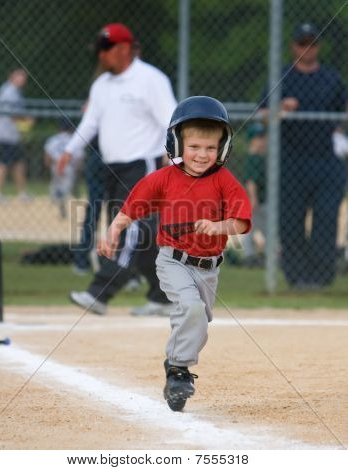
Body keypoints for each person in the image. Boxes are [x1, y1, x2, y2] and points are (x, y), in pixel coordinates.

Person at [97, 96, 252, 411]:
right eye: (194, 146)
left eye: (210, 148)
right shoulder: (165, 178)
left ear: (222, 148)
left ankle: (176, 366)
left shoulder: (224, 180)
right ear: (177, 144)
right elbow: (134, 205)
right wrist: (114, 229)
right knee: (191, 310)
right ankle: (179, 371)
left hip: (209, 268)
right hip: (172, 260)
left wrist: (219, 227)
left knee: (199, 321)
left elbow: (240, 222)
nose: (202, 155)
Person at [59, 23, 177, 316]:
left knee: (130, 230)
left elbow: (172, 120)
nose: (101, 56)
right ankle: (162, 297)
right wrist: (70, 149)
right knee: (143, 237)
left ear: (124, 49)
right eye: (99, 50)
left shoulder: (150, 79)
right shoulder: (101, 86)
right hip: (112, 169)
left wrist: (173, 158)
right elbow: (91, 123)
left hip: (143, 166)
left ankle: (100, 292)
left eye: (106, 49)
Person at [259, 23, 348, 288]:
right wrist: (280, 107)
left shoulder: (331, 79)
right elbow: (262, 116)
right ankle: (297, 277)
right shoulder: (282, 77)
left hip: (326, 160)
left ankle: (321, 277)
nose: (306, 48)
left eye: (312, 42)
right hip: (291, 159)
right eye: (302, 43)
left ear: (318, 47)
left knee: (326, 217)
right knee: (290, 219)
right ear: (293, 46)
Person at [0, 68, 33, 203]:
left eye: (23, 77)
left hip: (11, 134)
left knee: (17, 163)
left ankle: (22, 192)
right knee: (3, 162)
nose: (22, 79)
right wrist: (26, 120)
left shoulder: (13, 91)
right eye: (19, 76)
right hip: (5, 134)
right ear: (11, 77)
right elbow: (11, 114)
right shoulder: (9, 92)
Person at [44, 117, 85, 218]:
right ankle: (61, 196)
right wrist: (77, 170)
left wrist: (49, 166)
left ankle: (56, 196)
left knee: (56, 183)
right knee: (66, 187)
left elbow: (47, 156)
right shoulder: (74, 140)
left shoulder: (53, 139)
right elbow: (79, 158)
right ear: (71, 128)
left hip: (55, 165)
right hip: (69, 166)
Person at [241, 122, 267, 267]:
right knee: (256, 229)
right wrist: (254, 198)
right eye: (259, 138)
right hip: (258, 202)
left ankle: (250, 256)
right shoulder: (253, 158)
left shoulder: (261, 157)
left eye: (263, 137)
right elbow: (250, 181)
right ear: (252, 140)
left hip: (260, 201)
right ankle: (249, 256)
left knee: (251, 229)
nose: (263, 141)